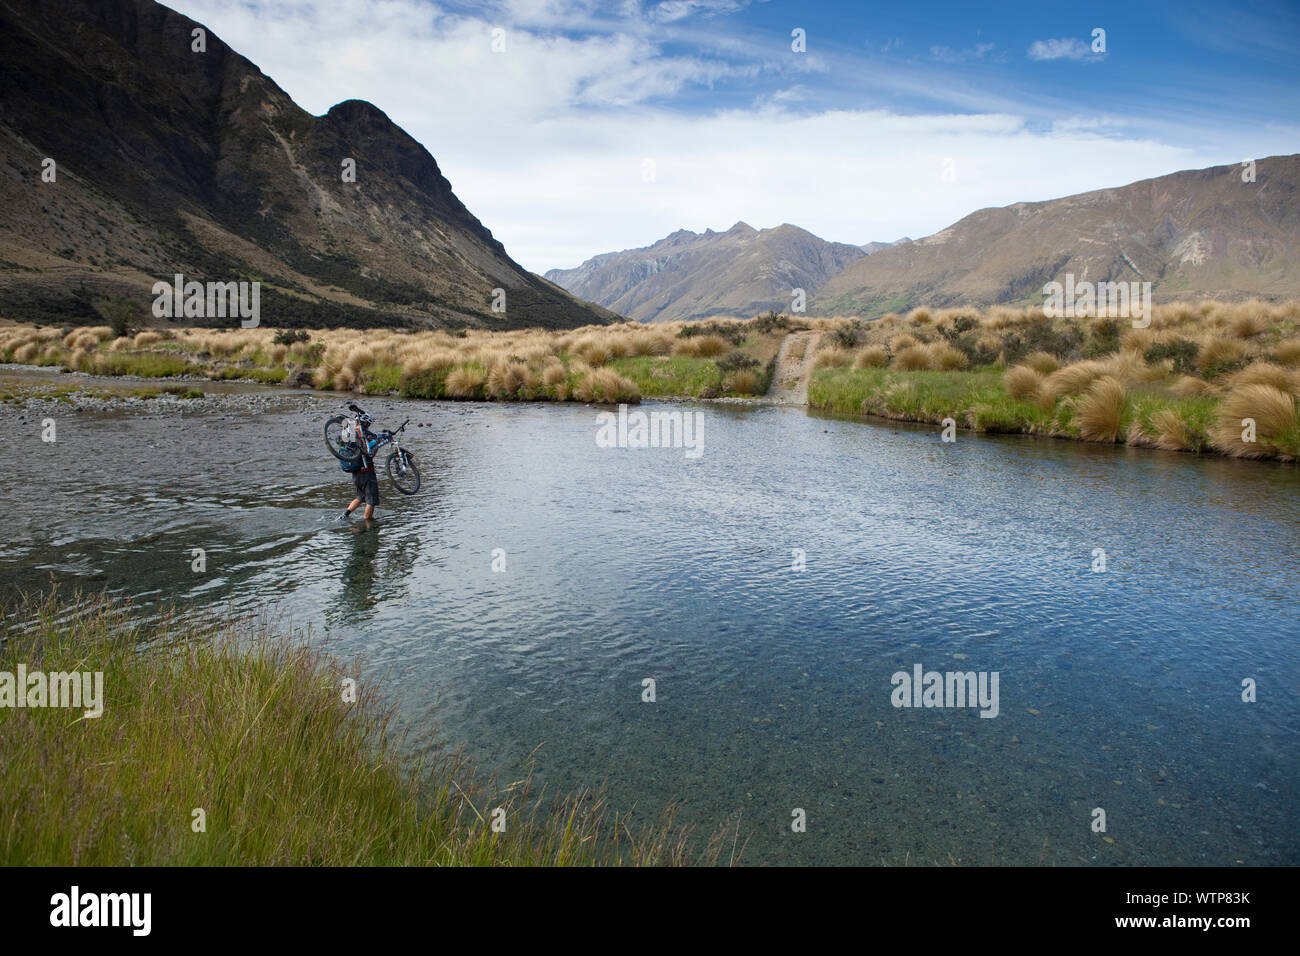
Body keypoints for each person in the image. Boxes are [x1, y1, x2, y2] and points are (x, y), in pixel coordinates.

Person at [339, 415, 380, 521]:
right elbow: (370, 453)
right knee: (371, 500)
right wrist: (377, 443)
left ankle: (344, 515)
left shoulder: (350, 436)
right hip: (367, 472)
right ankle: (368, 523)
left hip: (355, 472)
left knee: (360, 497)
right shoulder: (364, 435)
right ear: (366, 423)